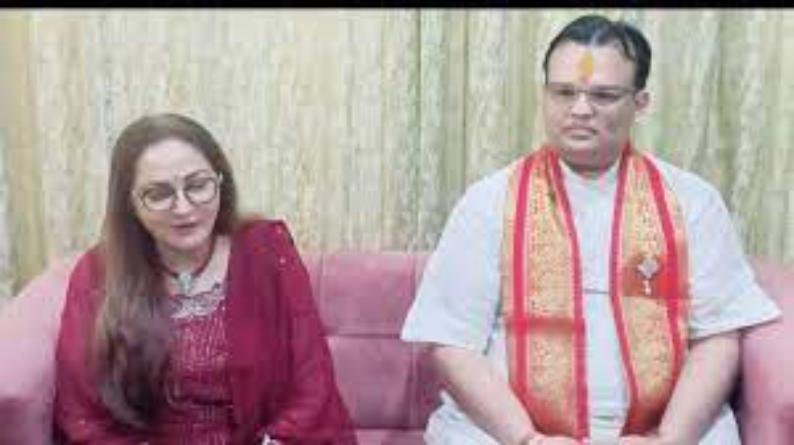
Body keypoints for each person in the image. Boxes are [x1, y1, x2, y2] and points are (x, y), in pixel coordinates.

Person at [401, 14, 781, 445]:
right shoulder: (489, 201)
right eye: (564, 92)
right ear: (545, 95)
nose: (580, 109)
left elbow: (717, 336)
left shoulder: (692, 201)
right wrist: (528, 439)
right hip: (507, 431)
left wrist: (668, 438)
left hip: (664, 428)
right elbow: (451, 343)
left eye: (603, 95)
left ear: (640, 103)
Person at [54, 113, 357, 444]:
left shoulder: (267, 251)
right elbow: (81, 413)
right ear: (129, 203)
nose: (184, 208)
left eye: (198, 186)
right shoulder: (98, 273)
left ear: (220, 182)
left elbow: (312, 383)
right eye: (159, 194)